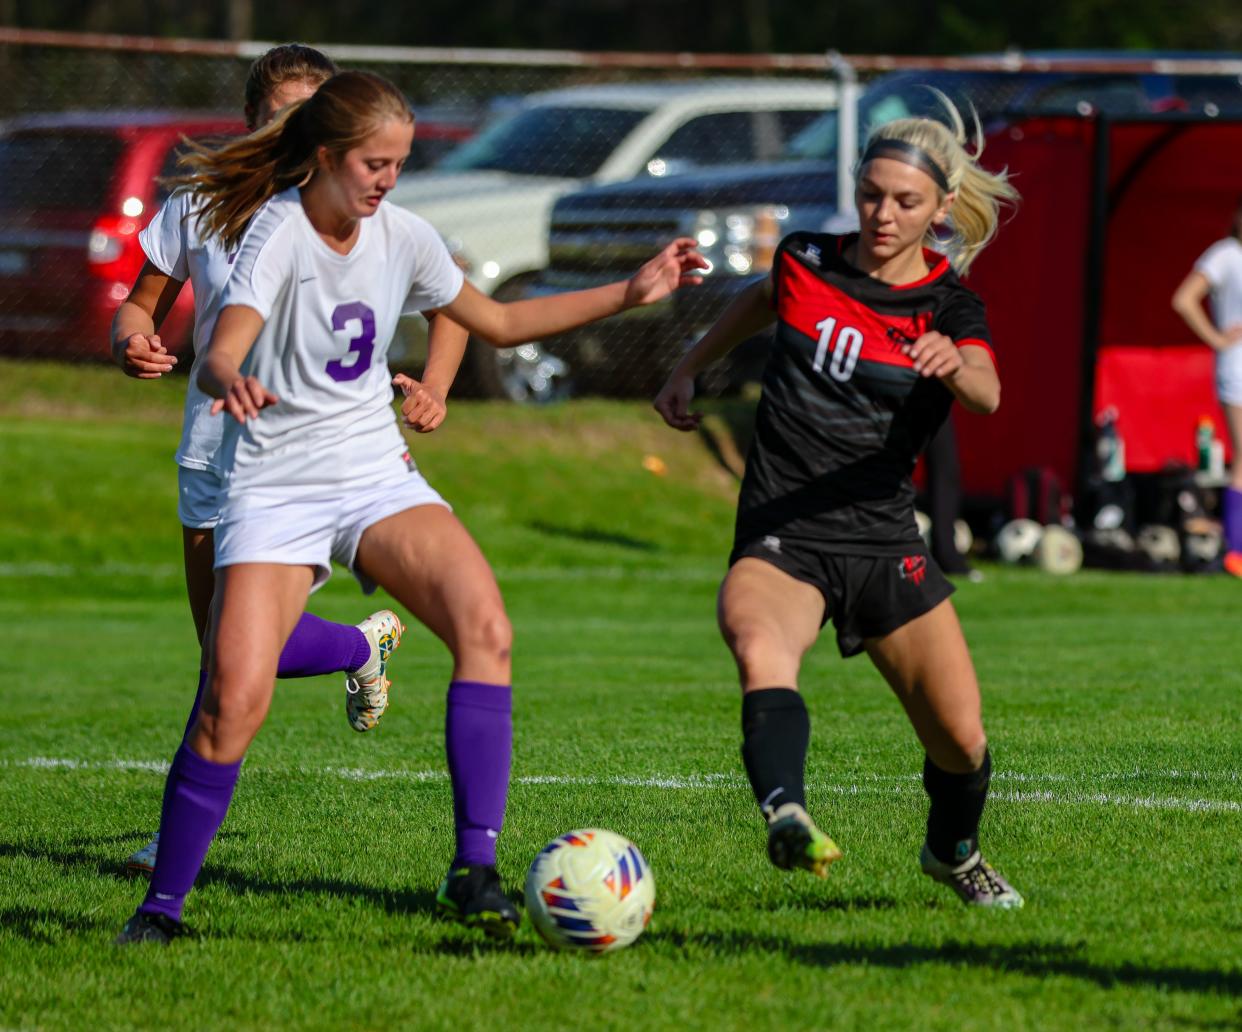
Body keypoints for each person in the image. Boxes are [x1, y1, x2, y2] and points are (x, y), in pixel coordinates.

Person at [115, 69, 706, 945]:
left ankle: (474, 871)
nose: (389, 179)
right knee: (232, 699)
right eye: (374, 163)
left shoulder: (403, 234)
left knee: (485, 626)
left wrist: (631, 290)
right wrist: (227, 376)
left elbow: (495, 323)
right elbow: (219, 347)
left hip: (371, 472)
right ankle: (161, 911)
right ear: (324, 157)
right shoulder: (275, 231)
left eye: (399, 162)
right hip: (272, 485)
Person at [110, 45, 471, 879]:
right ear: (254, 121)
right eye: (285, 115)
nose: (299, 131)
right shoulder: (202, 203)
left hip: (308, 467)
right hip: (211, 459)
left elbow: (454, 303)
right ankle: (357, 648)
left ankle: (172, 860)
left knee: (229, 675)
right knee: (223, 656)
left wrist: (436, 389)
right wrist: (131, 340)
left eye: (314, 114)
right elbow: (141, 302)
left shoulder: (359, 213)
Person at [654, 96, 1024, 908]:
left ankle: (952, 855)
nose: (882, 214)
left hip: (884, 538)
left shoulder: (949, 304)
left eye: (905, 202)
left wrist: (952, 365)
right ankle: (785, 812)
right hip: (783, 530)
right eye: (871, 194)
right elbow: (758, 296)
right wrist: (690, 364)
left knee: (962, 742)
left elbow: (989, 393)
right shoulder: (805, 260)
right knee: (760, 648)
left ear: (938, 211)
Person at [1171, 197, 1242, 578]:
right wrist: (1216, 338)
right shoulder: (1227, 254)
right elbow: (1183, 299)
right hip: (1238, 368)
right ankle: (1237, 551)